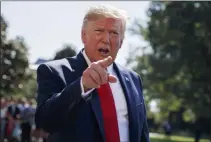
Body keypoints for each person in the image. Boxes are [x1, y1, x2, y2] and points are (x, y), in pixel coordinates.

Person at [35, 4, 150, 142]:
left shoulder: (133, 79)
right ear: (84, 35)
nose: (106, 39)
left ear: (121, 41)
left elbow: (142, 134)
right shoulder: (53, 71)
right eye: (99, 30)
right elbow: (45, 122)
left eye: (114, 33)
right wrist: (82, 86)